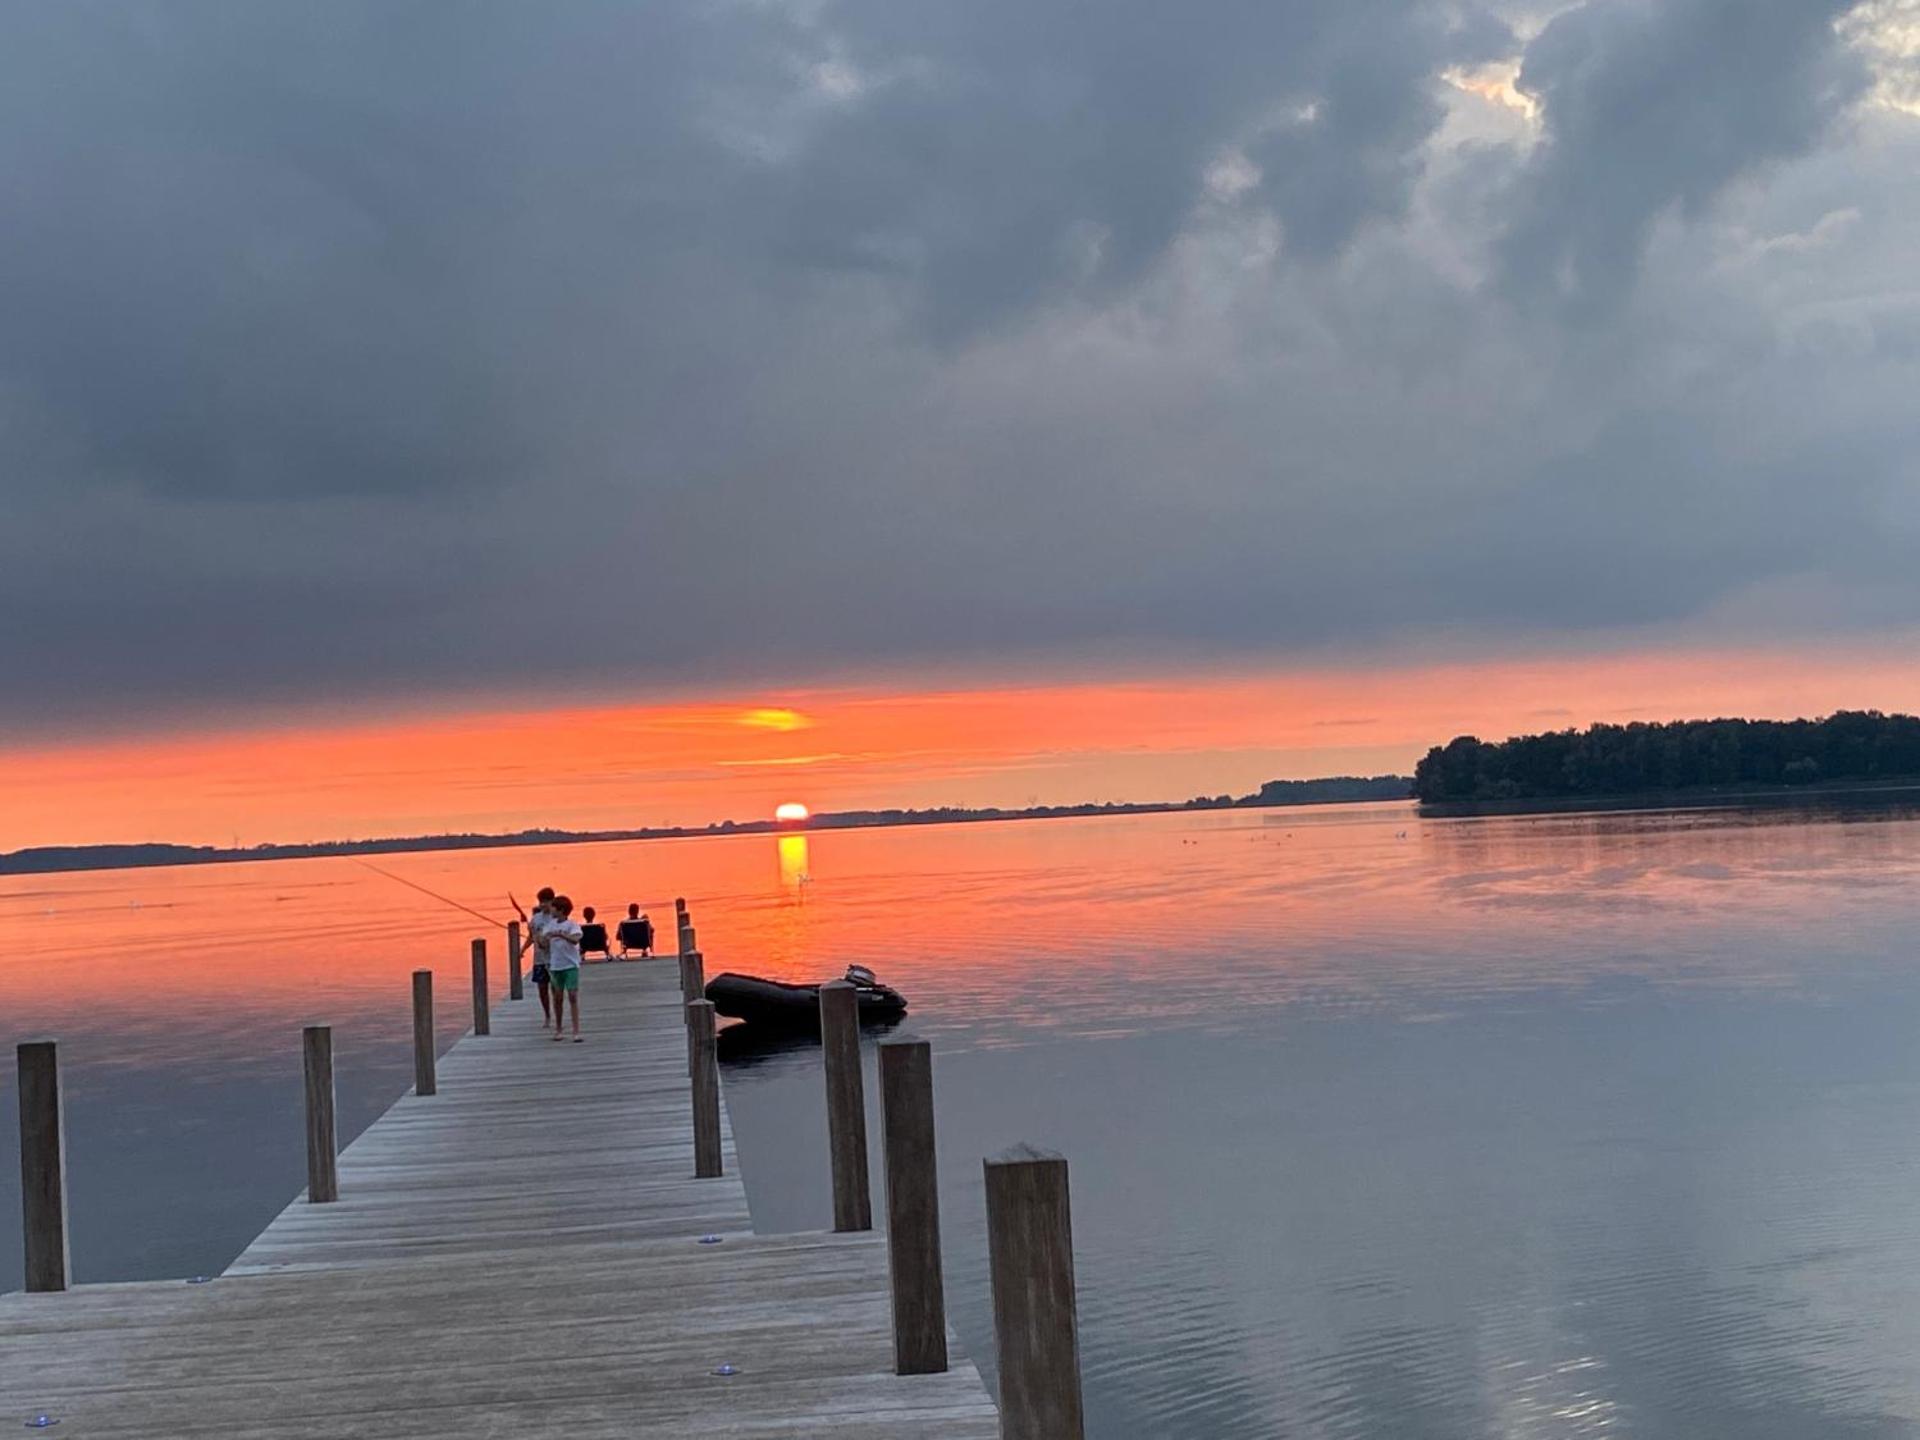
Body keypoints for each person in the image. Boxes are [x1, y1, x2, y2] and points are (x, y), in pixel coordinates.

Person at [545, 895, 584, 1041]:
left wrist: (561, 935)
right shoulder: (550, 925)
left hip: (571, 965)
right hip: (556, 966)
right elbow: (542, 942)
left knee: (572, 996)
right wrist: (539, 936)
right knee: (557, 998)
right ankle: (559, 1029)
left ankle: (576, 1032)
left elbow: (576, 939)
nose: (551, 909)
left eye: (553, 907)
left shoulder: (572, 925)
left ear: (561, 910)